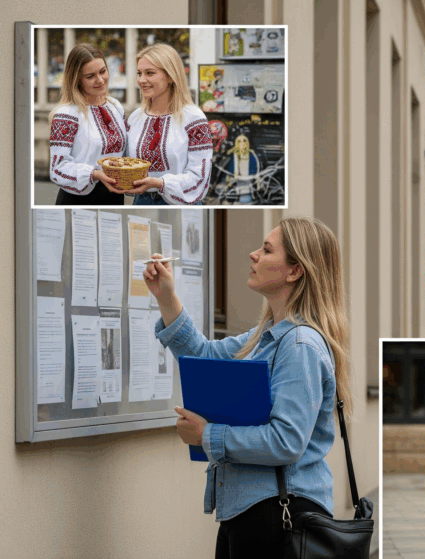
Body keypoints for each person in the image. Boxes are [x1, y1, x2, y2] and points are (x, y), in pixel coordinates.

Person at [143, 216, 348, 559]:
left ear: (295, 271)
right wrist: (166, 297)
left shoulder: (299, 346)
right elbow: (204, 355)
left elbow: (286, 442)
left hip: (277, 515)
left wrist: (208, 435)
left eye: (267, 250)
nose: (253, 254)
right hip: (254, 512)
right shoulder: (267, 337)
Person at [125, 43, 213, 205]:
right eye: (139, 73)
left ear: (171, 76)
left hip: (181, 204)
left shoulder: (193, 118)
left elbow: (199, 177)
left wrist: (161, 184)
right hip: (141, 201)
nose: (142, 80)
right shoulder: (135, 118)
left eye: (150, 73)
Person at [47, 43, 126, 205]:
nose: (100, 80)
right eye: (90, 76)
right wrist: (94, 174)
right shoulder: (66, 114)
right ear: (76, 80)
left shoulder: (115, 107)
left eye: (103, 71)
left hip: (114, 197)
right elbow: (57, 169)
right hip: (78, 200)